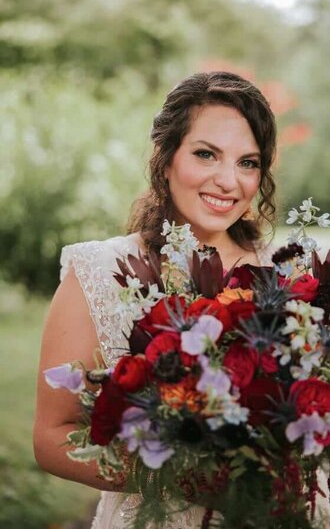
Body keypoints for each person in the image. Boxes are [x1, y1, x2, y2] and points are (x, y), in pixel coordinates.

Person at [33, 71, 278, 529]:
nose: (229, 181)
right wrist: (179, 478)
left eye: (248, 162)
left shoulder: (284, 276)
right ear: (165, 160)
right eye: (206, 154)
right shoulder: (97, 272)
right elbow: (50, 438)